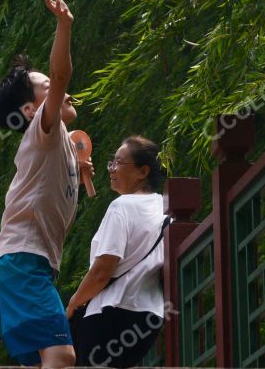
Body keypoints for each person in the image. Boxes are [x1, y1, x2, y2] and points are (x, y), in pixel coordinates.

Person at [0, 0, 92, 368]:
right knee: (63, 357)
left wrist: (77, 173)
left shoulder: (58, 141)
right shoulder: (42, 132)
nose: (62, 90)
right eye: (49, 87)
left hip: (27, 268)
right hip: (23, 265)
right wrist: (64, 26)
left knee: (45, 362)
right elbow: (63, 71)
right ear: (31, 110)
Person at [66, 135, 167, 368]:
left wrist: (73, 304)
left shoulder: (122, 206)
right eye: (112, 162)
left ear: (143, 172)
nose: (111, 168)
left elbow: (103, 270)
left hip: (110, 313)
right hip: (148, 317)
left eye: (119, 163)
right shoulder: (164, 206)